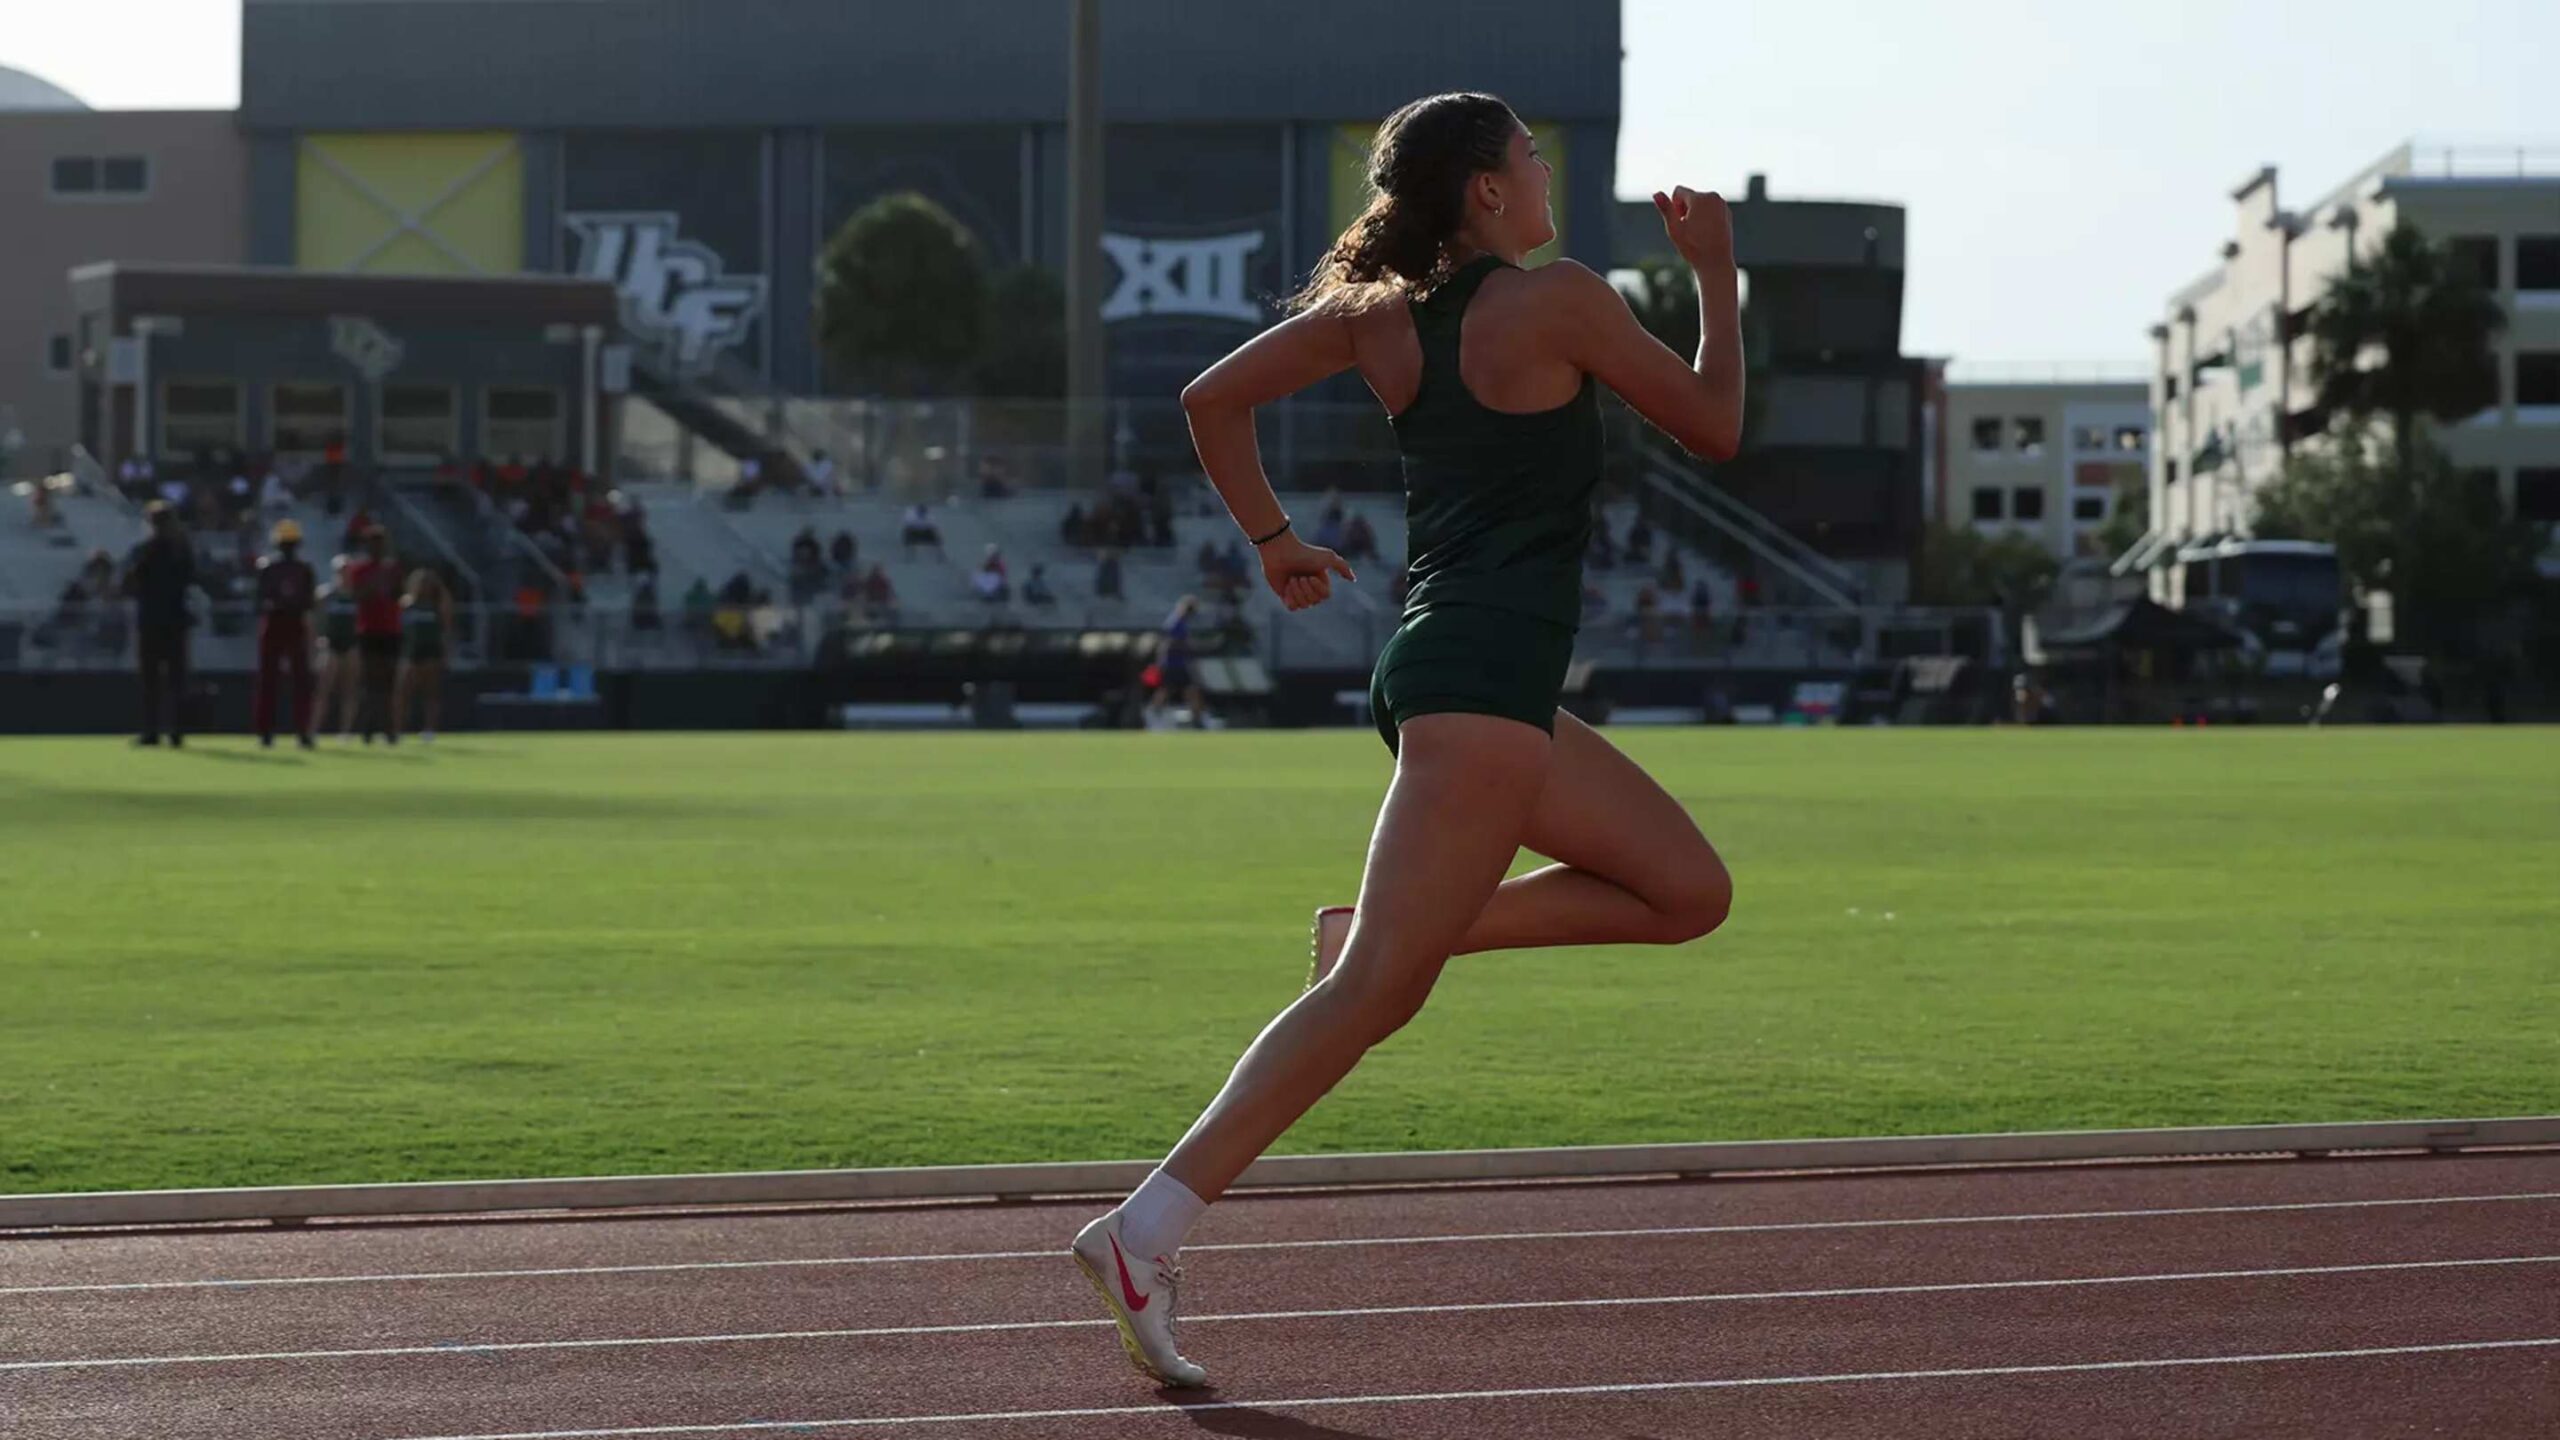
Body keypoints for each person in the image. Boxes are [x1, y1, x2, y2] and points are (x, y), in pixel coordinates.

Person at [1064, 93, 1742, 1388]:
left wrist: (1271, 545)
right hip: (1478, 684)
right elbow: (1714, 425)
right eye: (1530, 161)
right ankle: (1144, 1230)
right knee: (1378, 992)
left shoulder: (1378, 321)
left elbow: (1212, 400)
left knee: (1687, 890)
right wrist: (1716, 279)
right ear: (1485, 193)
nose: (1544, 179)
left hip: (1462, 677)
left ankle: (1398, 931)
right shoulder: (1560, 301)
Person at [123, 501, 198, 748]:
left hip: (151, 620)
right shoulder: (182, 550)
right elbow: (191, 579)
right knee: (177, 679)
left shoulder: (144, 550)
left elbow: (131, 584)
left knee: (150, 680)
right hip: (176, 619)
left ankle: (151, 731)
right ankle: (177, 732)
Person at [252, 519, 319, 749]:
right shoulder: (270, 568)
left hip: (292, 622)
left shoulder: (301, 569)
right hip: (277, 622)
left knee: (298, 680)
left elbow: (309, 602)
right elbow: (259, 601)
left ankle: (299, 731)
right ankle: (269, 731)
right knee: (271, 679)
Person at [347, 525, 404, 743]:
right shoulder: (360, 570)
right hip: (369, 630)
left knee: (389, 681)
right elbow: (359, 595)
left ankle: (388, 729)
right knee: (370, 681)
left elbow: (397, 593)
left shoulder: (393, 569)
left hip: (391, 629)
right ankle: (369, 728)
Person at [394, 569, 455, 742]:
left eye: (427, 583)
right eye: (420, 583)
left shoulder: (438, 603)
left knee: (431, 693)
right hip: (410, 652)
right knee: (402, 692)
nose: (423, 586)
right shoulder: (406, 604)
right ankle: (398, 730)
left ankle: (429, 729)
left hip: (431, 651)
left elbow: (447, 629)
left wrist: (446, 653)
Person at [312, 556, 362, 739]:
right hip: (331, 644)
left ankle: (345, 732)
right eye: (341, 570)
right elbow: (314, 619)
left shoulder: (358, 595)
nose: (345, 574)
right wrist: (318, 639)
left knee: (350, 690)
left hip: (351, 645)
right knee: (323, 689)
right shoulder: (325, 594)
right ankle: (313, 730)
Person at [1142, 594, 1209, 729]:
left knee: (1187, 691)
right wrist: (1190, 646)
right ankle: (1153, 714)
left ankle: (1198, 719)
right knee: (1169, 690)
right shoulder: (1175, 622)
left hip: (1177, 663)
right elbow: (1169, 643)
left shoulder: (1179, 622)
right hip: (1173, 664)